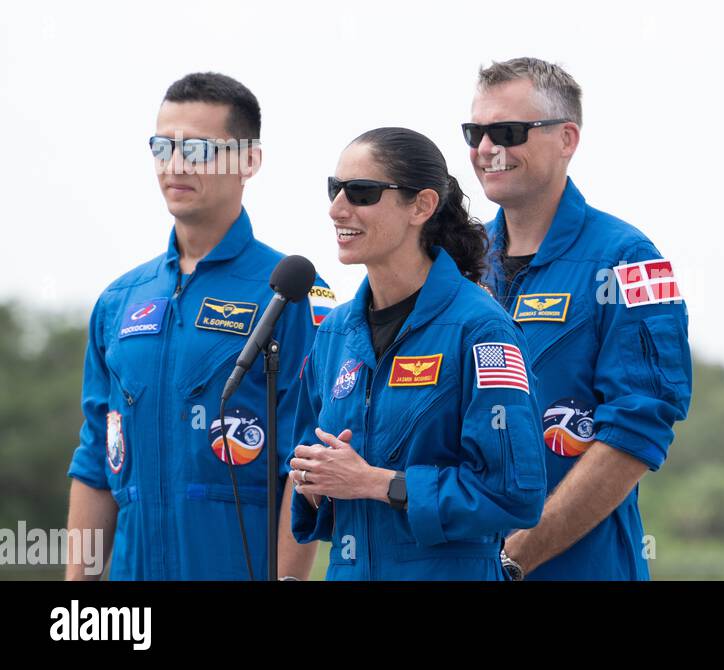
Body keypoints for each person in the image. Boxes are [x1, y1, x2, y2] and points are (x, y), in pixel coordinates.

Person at [66, 72, 329, 580]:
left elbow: (305, 466)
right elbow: (97, 461)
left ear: (249, 160)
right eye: (162, 147)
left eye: (199, 149)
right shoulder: (119, 302)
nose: (175, 165)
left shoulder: (290, 294)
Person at [465, 58, 692, 580]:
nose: (485, 149)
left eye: (507, 132)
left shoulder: (632, 261)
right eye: (474, 132)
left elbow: (637, 430)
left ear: (567, 138)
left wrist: (513, 559)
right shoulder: (458, 262)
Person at [288, 127, 546, 580]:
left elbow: (514, 495)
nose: (336, 208)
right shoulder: (333, 333)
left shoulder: (481, 329)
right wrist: (312, 482)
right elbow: (314, 474)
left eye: (361, 192)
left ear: (422, 206)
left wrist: (376, 483)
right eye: (335, 189)